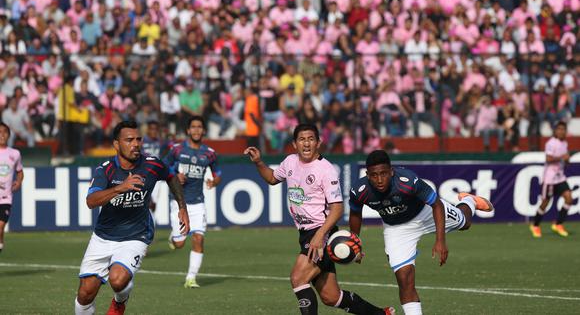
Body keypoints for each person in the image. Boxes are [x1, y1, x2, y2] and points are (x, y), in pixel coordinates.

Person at [245, 124, 394, 315]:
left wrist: (320, 236)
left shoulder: (326, 170)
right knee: (331, 297)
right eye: (302, 139)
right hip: (306, 233)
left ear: (318, 143)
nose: (306, 143)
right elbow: (273, 178)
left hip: (321, 232)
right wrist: (258, 162)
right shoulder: (290, 162)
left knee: (298, 278)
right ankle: (382, 314)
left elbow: (338, 208)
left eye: (310, 139)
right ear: (294, 144)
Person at [349, 150, 494, 315]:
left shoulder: (408, 181)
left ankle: (470, 201)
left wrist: (440, 241)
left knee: (465, 223)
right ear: (367, 175)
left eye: (383, 173)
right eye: (374, 175)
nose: (380, 179)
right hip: (397, 229)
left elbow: (436, 205)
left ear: (391, 171)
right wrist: (356, 242)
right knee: (404, 278)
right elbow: (355, 213)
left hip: (425, 214)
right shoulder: (359, 190)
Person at [74, 121, 190, 315]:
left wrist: (182, 207)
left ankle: (120, 301)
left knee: (117, 280)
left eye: (138, 139)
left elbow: (170, 176)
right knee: (85, 293)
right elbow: (91, 201)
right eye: (129, 140)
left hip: (136, 235)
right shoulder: (106, 169)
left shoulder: (152, 164)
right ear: (117, 144)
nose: (135, 144)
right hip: (103, 236)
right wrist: (120, 187)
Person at [163, 116, 222, 288]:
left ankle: (191, 278)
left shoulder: (209, 153)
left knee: (198, 238)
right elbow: (164, 168)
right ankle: (173, 239)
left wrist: (213, 182)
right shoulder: (176, 149)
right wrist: (174, 176)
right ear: (188, 131)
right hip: (179, 202)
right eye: (193, 127)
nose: (196, 130)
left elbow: (218, 173)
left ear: (203, 131)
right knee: (180, 243)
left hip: (198, 203)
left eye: (199, 127)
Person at [530, 121, 574, 238]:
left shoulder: (564, 143)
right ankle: (535, 225)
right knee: (545, 202)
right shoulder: (551, 143)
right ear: (555, 131)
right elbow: (548, 159)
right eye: (559, 129)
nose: (561, 131)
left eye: (563, 129)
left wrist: (567, 160)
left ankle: (558, 224)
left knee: (569, 198)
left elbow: (565, 160)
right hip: (549, 178)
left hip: (560, 177)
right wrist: (562, 157)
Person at [0, 123, 23, 253]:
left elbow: (20, 171)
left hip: (5, 197)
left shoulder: (14, 154)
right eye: (0, 132)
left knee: (1, 226)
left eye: (4, 132)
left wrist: (18, 181)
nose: (2, 135)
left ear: (9, 135)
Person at [142, 120, 168, 213]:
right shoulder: (142, 142)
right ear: (148, 130)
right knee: (145, 201)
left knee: (153, 205)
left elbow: (171, 145)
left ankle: (151, 225)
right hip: (144, 175)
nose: (154, 131)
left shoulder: (161, 142)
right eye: (151, 129)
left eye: (156, 129)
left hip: (157, 176)